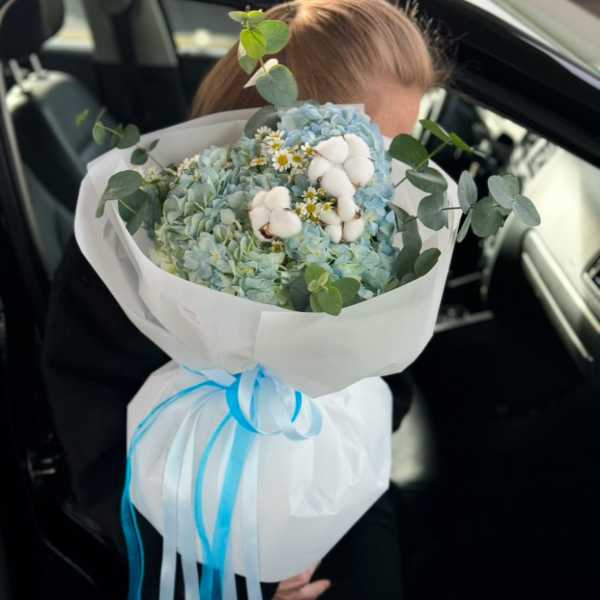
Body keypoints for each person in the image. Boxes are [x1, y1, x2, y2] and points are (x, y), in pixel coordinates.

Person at [42, 1, 448, 598]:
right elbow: (101, 446)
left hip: (336, 473)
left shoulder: (371, 228)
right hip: (190, 532)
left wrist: (323, 495)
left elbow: (386, 382)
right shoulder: (136, 241)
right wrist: (239, 574)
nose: (390, 177)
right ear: (282, 130)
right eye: (375, 149)